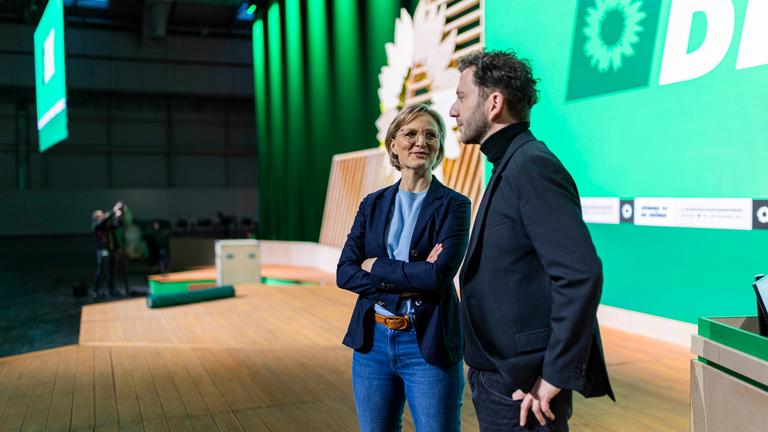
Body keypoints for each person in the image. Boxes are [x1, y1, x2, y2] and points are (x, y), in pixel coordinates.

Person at [450, 50, 614, 431]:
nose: (454, 110)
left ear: (494, 103)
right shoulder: (510, 163)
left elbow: (580, 274)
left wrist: (554, 375)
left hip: (523, 388)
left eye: (461, 97)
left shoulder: (531, 166)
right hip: (502, 378)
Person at [336, 104, 471, 432]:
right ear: (393, 144)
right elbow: (345, 272)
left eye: (431, 136)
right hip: (373, 344)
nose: (421, 142)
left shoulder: (455, 205)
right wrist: (412, 277)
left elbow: (437, 276)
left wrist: (376, 266)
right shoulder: (372, 203)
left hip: (428, 345)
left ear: (439, 147)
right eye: (411, 133)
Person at [91, 201, 124, 299]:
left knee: (112, 271)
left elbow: (118, 225)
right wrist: (114, 210)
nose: (103, 215)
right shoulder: (97, 225)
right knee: (101, 271)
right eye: (101, 215)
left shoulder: (107, 225)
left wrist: (119, 217)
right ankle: (95, 291)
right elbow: (104, 220)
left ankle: (111, 290)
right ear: (96, 218)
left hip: (112, 250)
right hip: (103, 250)